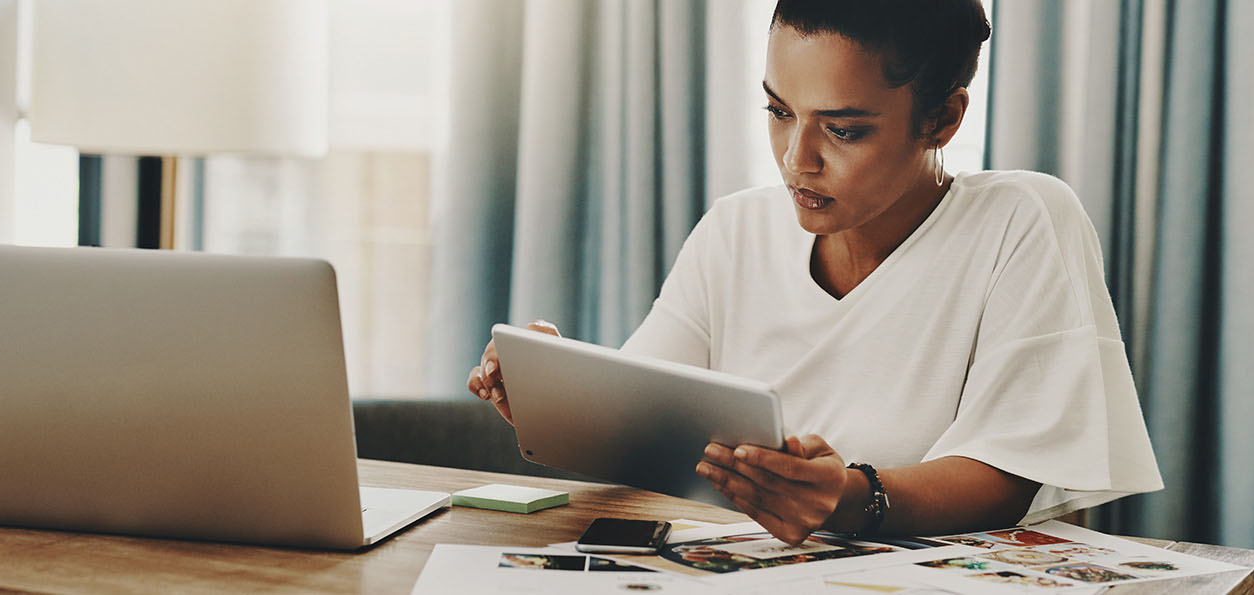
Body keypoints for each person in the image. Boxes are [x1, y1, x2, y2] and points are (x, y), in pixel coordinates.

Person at [467, 0, 1162, 543]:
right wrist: (557, 398)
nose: (797, 158)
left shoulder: (1022, 219)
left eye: (844, 129)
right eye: (778, 110)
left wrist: (853, 495)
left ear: (943, 118)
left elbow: (1011, 473)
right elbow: (645, 423)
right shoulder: (736, 230)